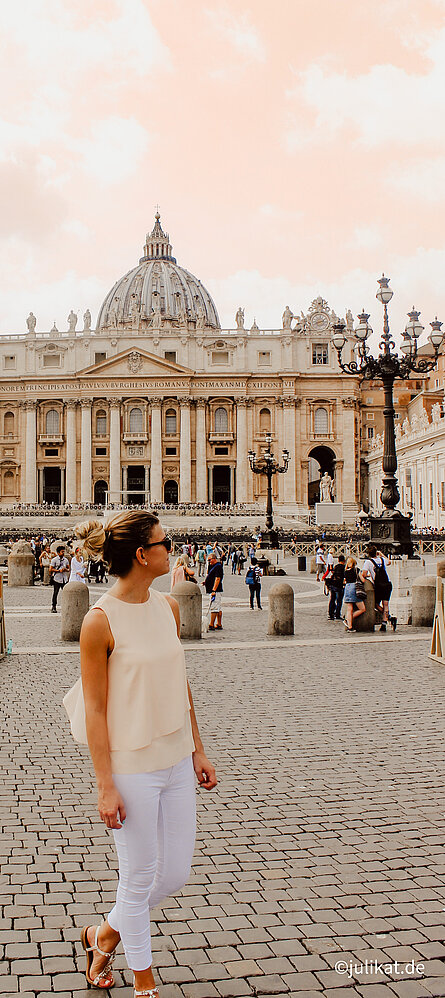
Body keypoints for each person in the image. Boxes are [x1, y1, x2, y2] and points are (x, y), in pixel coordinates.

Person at [63, 510, 217, 998]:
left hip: (174, 757)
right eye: (163, 542)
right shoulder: (98, 622)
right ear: (141, 555)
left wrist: (197, 749)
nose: (171, 548)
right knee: (137, 878)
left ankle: (101, 936)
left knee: (174, 874)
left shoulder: (168, 607)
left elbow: (181, 682)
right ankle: (143, 981)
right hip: (131, 765)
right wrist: (105, 784)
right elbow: (93, 708)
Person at [361, 544, 396, 632]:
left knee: (375, 604)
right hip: (387, 584)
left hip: (378, 586)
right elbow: (389, 562)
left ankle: (390, 618)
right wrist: (381, 554)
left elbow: (364, 574)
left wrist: (369, 575)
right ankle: (384, 623)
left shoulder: (368, 562)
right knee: (386, 604)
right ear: (376, 553)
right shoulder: (382, 559)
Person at [343, 556, 366, 631]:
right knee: (362, 609)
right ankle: (347, 620)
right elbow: (363, 580)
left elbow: (344, 581)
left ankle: (350, 626)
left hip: (347, 588)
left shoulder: (346, 571)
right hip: (354, 588)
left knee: (349, 609)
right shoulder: (356, 570)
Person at [203, 551, 223, 630]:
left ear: (214, 559)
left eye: (210, 560)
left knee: (214, 607)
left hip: (215, 590)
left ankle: (211, 624)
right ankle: (219, 623)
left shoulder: (218, 566)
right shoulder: (211, 566)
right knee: (218, 607)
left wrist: (214, 590)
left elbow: (217, 578)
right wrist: (206, 582)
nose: (209, 562)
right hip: (211, 589)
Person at [50, 545, 70, 612]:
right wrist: (58, 571)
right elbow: (50, 569)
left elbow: (68, 568)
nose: (63, 553)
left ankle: (67, 606)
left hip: (64, 579)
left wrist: (66, 569)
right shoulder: (54, 560)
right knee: (55, 593)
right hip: (57, 578)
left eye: (63, 552)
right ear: (58, 553)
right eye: (62, 552)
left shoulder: (66, 560)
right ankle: (54, 606)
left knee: (66, 593)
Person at [328, 553, 345, 620]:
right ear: (344, 560)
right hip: (339, 585)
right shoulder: (344, 567)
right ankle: (337, 614)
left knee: (332, 599)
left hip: (333, 585)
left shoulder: (336, 566)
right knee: (339, 600)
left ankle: (331, 613)